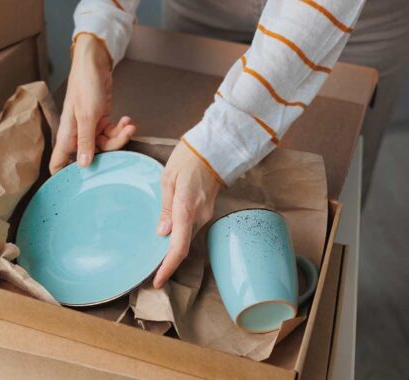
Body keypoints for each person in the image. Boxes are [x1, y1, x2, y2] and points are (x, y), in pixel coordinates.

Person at [50, 0, 409, 289]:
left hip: (348, 26)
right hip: (205, 9)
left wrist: (219, 145)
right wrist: (95, 36)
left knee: (330, 229)